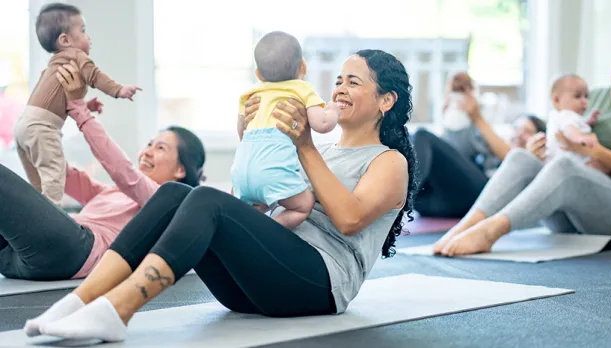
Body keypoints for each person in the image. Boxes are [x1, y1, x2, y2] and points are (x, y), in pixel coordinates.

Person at [26, 49, 417, 343]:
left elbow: (349, 219)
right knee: (177, 194)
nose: (340, 89)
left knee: (204, 199)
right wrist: (250, 146)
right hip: (259, 284)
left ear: (386, 101)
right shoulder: (324, 151)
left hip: (317, 284)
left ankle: (117, 310)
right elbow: (254, 207)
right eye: (338, 81)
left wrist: (305, 146)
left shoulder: (389, 162)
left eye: (354, 82)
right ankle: (80, 301)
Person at [433, 36, 611, 256]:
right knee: (520, 157)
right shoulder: (592, 97)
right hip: (572, 215)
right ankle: (465, 226)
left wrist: (597, 152)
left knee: (566, 167)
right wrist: (539, 149)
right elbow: (564, 138)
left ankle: (489, 232)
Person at [1, 60, 204, 290]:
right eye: (149, 143)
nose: (147, 151)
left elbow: (122, 171)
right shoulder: (108, 193)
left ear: (180, 170)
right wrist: (39, 114)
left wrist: (79, 110)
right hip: (14, 258)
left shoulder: (164, 201)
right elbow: (53, 168)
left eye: (160, 148)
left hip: (71, 252)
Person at [13, 2, 140, 206]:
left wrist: (86, 105)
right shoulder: (76, 55)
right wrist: (118, 90)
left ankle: (36, 211)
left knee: (37, 183)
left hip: (22, 126)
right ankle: (52, 217)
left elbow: (59, 100)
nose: (88, 36)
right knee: (54, 176)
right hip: (43, 128)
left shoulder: (53, 64)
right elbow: (95, 75)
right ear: (65, 40)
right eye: (82, 30)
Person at [232, 31, 340, 229]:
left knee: (249, 210)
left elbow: (242, 132)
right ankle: (269, 230)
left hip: (241, 170)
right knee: (302, 205)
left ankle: (245, 234)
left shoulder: (250, 94)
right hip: (272, 171)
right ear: (303, 66)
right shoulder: (302, 89)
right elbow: (322, 124)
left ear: (258, 73)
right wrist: (333, 109)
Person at [413, 98, 546, 218]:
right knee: (413, 139)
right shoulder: (491, 151)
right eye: (516, 128)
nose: (518, 134)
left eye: (527, 131)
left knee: (422, 135)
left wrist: (530, 157)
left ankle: (399, 195)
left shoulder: (537, 166)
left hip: (481, 197)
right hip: (441, 203)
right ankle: (402, 194)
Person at [544, 73, 600, 166]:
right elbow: (569, 129)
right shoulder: (567, 114)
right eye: (577, 96)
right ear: (557, 99)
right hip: (569, 162)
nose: (584, 101)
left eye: (586, 96)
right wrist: (579, 138)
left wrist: (589, 122)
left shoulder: (557, 115)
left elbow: (574, 125)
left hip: (556, 161)